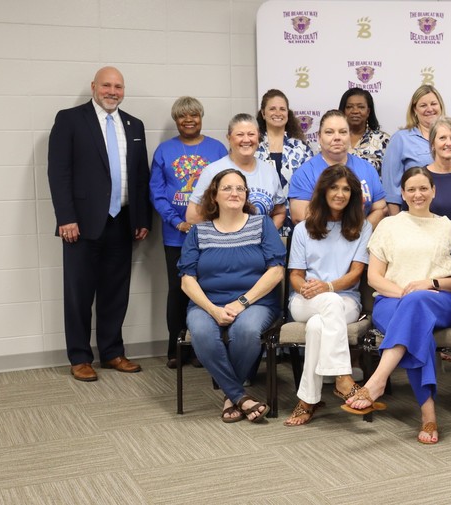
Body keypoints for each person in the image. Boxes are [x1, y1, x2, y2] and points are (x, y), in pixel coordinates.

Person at [343, 167, 451, 445]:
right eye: (411, 189)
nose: (418, 194)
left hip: (439, 299)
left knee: (417, 306)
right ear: (402, 193)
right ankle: (428, 414)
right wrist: (405, 294)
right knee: (416, 326)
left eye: (424, 188)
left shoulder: (448, 227)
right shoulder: (389, 225)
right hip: (391, 300)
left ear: (434, 191)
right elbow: (374, 278)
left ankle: (377, 380)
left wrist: (431, 283)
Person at [48, 66, 150, 381]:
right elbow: (58, 171)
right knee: (79, 293)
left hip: (122, 222)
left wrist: (142, 218)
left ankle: (112, 352)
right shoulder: (70, 119)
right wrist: (66, 217)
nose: (112, 91)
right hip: (81, 225)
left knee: (115, 291)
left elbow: (140, 176)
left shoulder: (134, 124)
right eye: (106, 85)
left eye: (118, 86)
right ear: (94, 86)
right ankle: (79, 357)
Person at [179, 169, 286, 423]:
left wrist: (242, 303)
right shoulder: (199, 231)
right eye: (227, 188)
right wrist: (213, 309)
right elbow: (187, 280)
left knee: (246, 331)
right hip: (207, 303)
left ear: (246, 194)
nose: (234, 193)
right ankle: (240, 396)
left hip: (256, 301)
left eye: (240, 188)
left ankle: (231, 397)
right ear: (214, 195)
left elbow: (276, 271)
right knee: (202, 332)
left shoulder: (262, 224)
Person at [284, 166, 372, 426]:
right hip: (305, 300)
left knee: (316, 326)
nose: (340, 194)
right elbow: (295, 275)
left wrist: (329, 287)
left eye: (346, 189)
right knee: (322, 309)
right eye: (334, 187)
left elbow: (357, 273)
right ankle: (343, 378)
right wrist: (307, 288)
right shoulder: (303, 229)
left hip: (345, 301)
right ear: (323, 191)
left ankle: (308, 399)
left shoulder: (362, 227)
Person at [149, 96, 228, 368]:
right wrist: (177, 222)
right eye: (182, 116)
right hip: (176, 236)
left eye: (193, 115)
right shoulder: (164, 151)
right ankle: (176, 348)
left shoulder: (217, 149)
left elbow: (227, 189)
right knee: (178, 290)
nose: (188, 120)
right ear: (176, 120)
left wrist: (215, 222)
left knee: (209, 290)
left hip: (211, 235)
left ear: (201, 117)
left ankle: (201, 348)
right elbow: (157, 193)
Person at [287, 110, 386, 228]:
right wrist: (339, 238)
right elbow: (299, 216)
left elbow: (381, 209)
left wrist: (359, 234)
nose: (337, 137)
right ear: (319, 137)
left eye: (343, 132)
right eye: (329, 132)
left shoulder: (367, 169)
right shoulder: (305, 173)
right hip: (320, 241)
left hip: (361, 239)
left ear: (349, 136)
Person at [187, 114, 286, 230]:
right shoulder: (212, 171)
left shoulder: (269, 171)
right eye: (240, 134)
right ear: (228, 138)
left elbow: (279, 212)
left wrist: (267, 237)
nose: (246, 140)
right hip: (224, 245)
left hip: (260, 247)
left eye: (251, 134)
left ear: (258, 137)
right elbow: (192, 216)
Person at [256, 89, 314, 235]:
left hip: (297, 226)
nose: (278, 113)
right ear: (263, 113)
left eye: (282, 109)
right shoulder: (253, 147)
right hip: (259, 227)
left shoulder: (301, 149)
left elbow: (313, 187)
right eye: (272, 108)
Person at [382, 85, 445, 215]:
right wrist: (397, 223)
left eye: (434, 104)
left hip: (447, 214)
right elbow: (391, 190)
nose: (430, 109)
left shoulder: (450, 138)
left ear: (441, 107)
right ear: (414, 110)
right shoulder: (401, 139)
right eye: (423, 105)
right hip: (413, 216)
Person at [339, 87, 390, 174]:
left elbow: (391, 175)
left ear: (368, 111)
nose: (355, 111)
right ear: (343, 111)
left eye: (361, 107)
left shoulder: (383, 140)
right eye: (349, 107)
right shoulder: (332, 138)